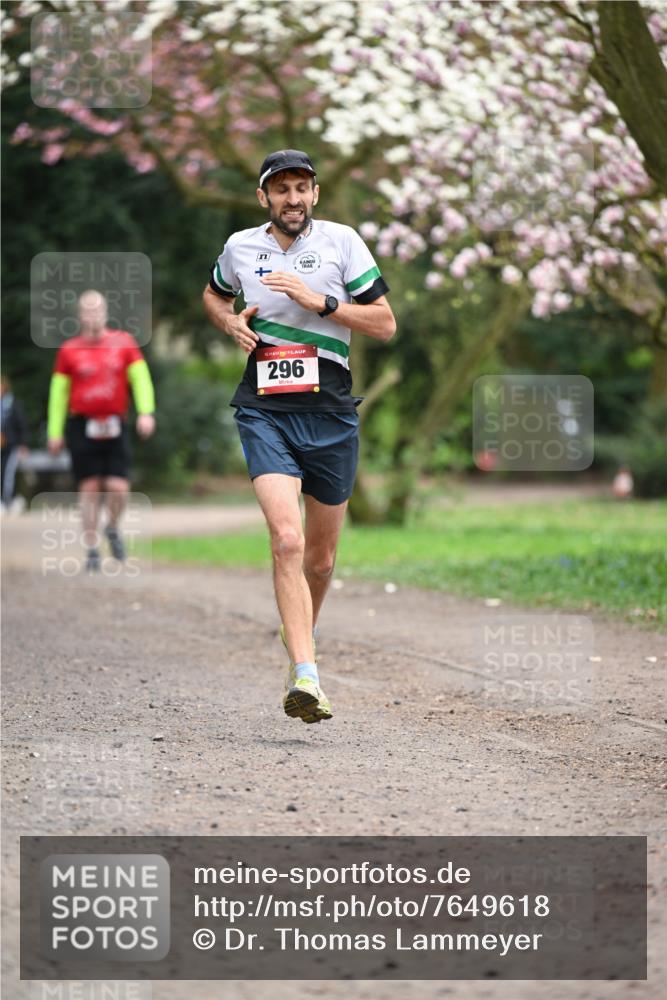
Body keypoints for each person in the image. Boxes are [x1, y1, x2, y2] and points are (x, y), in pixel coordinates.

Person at [203, 149, 396, 724]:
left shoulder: (342, 243)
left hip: (331, 409)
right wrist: (230, 320)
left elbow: (384, 323)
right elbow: (214, 293)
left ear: (315, 195)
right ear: (263, 197)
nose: (293, 198)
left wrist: (323, 303)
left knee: (320, 560)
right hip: (264, 407)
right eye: (281, 188)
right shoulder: (240, 247)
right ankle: (308, 675)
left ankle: (298, 653)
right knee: (285, 540)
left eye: (302, 188)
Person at [46, 290, 156, 571]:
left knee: (119, 487)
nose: (93, 315)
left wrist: (146, 412)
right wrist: (54, 432)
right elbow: (59, 394)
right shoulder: (69, 350)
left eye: (98, 310)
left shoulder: (124, 343)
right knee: (90, 487)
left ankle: (112, 528)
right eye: (88, 311)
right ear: (80, 315)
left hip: (115, 423)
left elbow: (141, 379)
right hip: (81, 425)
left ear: (105, 313)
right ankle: (92, 548)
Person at [1, 374, 29, 511]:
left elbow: (22, 425)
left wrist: (23, 444)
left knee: (8, 473)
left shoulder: (13, 404)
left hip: (11, 445)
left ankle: (7, 501)